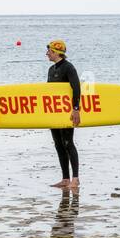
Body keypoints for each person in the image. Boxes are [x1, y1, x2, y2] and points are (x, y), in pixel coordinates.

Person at [46, 40, 81, 188]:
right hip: (54, 113)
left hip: (67, 112)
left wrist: (75, 109)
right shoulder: (51, 69)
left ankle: (76, 179)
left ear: (56, 52)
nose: (47, 53)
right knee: (58, 144)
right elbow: (48, 93)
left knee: (68, 143)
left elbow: (76, 88)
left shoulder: (69, 68)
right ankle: (65, 179)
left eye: (49, 51)